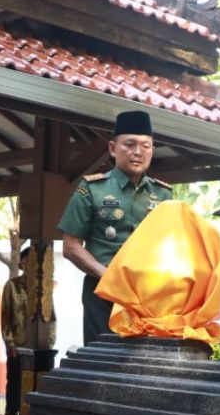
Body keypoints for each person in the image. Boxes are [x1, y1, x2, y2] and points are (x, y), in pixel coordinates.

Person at [58, 110, 174, 344]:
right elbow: (71, 247)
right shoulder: (92, 188)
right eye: (129, 145)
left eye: (146, 146)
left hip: (148, 296)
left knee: (146, 364)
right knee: (102, 364)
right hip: (103, 294)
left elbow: (172, 249)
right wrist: (108, 277)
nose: (138, 152)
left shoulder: (164, 194)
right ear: (113, 148)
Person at [0, 244, 57, 415]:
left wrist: (50, 341)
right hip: (18, 345)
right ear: (22, 265)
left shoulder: (45, 287)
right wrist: (9, 341)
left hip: (41, 347)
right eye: (27, 263)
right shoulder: (12, 285)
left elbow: (52, 316)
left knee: (40, 385)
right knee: (15, 384)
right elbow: (6, 314)